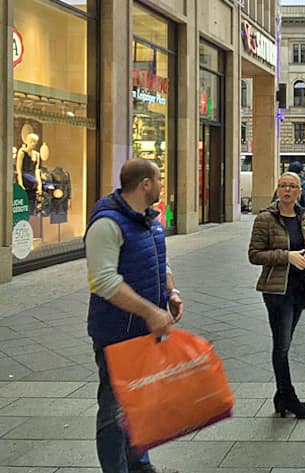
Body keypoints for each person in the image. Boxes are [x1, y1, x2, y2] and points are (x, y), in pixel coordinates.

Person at [85, 158, 184, 473]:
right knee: (113, 414)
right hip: (116, 333)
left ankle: (139, 463)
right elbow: (104, 282)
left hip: (145, 331)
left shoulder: (150, 219)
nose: (160, 185)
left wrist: (171, 293)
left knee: (140, 404)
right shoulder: (107, 224)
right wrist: (150, 311)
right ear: (145, 184)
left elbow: (159, 261)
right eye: (158, 179)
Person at [249, 172, 305, 418]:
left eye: (292, 186)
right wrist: (286, 256)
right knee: (282, 346)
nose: (287, 190)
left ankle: (280, 397)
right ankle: (289, 397)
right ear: (277, 190)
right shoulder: (266, 219)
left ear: (299, 192)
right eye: (283, 186)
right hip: (277, 290)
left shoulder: (304, 216)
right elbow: (255, 254)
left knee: (285, 343)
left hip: (300, 289)